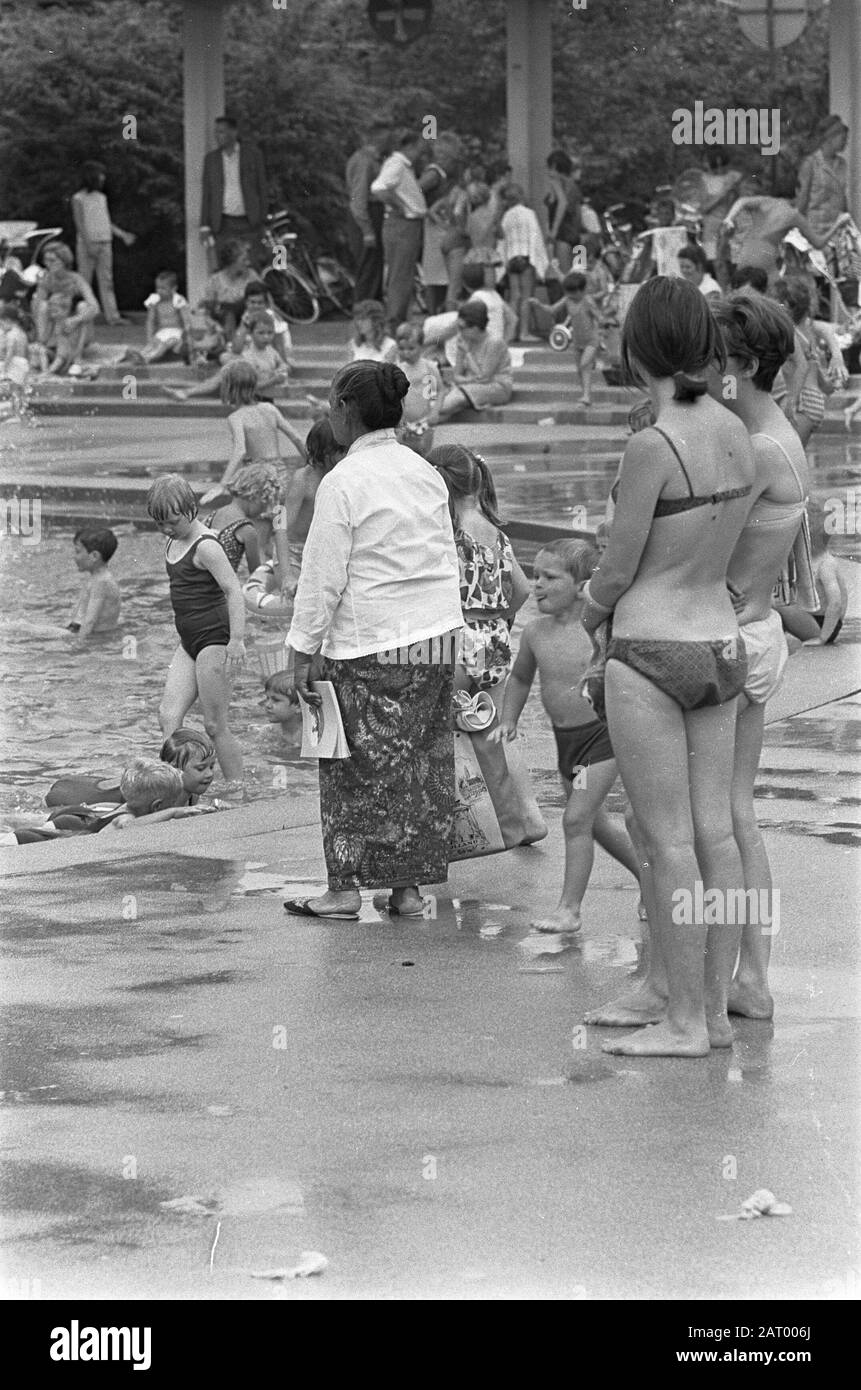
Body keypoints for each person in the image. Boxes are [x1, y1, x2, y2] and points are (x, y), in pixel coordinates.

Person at [581, 276, 755, 1058]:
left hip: (650, 648)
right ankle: (711, 1011)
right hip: (719, 645)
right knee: (716, 836)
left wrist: (582, 613)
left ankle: (683, 1022)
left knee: (668, 841)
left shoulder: (652, 445)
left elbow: (616, 572)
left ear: (638, 346)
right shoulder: (736, 432)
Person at [283, 360, 463, 920]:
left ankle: (343, 891)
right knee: (416, 765)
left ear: (344, 409)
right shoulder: (423, 470)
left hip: (369, 645)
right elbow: (443, 555)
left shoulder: (342, 483)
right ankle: (405, 890)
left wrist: (300, 652)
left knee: (349, 767)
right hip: (432, 639)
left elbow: (321, 577)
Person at [704, 292, 809, 1023]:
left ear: (740, 365)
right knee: (734, 813)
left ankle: (737, 976)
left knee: (720, 817)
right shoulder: (775, 435)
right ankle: (748, 976)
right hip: (759, 629)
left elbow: (701, 545)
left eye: (713, 362)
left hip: (734, 635)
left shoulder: (756, 446)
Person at [492, 539, 641, 932]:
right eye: (535, 575)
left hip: (601, 738)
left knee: (576, 819)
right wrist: (508, 719)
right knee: (595, 825)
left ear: (582, 586)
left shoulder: (601, 630)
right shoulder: (535, 633)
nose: (536, 584)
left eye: (549, 577)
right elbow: (521, 677)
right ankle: (651, 878)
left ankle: (569, 910)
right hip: (567, 742)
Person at [430, 443, 546, 848]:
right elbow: (524, 589)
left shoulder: (447, 532)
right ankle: (516, 824)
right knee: (490, 734)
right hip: (495, 640)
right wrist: (499, 620)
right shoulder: (495, 531)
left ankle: (461, 829)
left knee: (440, 733)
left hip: (459, 640)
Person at [146, 474, 247, 787]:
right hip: (188, 641)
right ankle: (173, 785)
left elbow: (233, 590)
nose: (166, 529)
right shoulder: (174, 540)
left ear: (191, 509)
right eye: (159, 523)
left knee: (215, 725)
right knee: (168, 716)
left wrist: (237, 640)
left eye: (172, 522)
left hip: (215, 639)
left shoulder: (207, 546)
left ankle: (237, 790)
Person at [200, 361, 304, 505]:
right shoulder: (270, 408)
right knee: (278, 514)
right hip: (279, 472)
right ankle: (279, 526)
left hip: (256, 474)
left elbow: (240, 450)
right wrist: (313, 465)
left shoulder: (236, 417)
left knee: (249, 513)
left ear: (228, 389)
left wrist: (221, 485)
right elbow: (297, 438)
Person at [720, 177, 852, 285]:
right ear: (797, 192)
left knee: (741, 290)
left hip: (747, 250)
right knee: (776, 296)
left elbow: (742, 201)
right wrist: (838, 223)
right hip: (765, 254)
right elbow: (818, 243)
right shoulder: (793, 214)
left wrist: (729, 218)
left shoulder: (765, 202)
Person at [370, 131, 427, 331]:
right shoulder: (397, 164)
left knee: (403, 273)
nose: (421, 153)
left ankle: (400, 319)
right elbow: (379, 188)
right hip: (402, 224)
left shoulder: (401, 166)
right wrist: (400, 207)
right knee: (400, 274)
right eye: (419, 148)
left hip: (406, 224)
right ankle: (394, 322)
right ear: (410, 146)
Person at [168, 315, 290, 405]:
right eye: (261, 333)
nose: (266, 337)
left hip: (263, 397)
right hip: (249, 396)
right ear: (251, 334)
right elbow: (252, 387)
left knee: (216, 379)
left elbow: (282, 363)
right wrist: (274, 380)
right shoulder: (249, 357)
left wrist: (281, 368)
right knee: (215, 382)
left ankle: (185, 391)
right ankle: (186, 392)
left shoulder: (271, 351)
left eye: (270, 333)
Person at [70, 161, 135, 325]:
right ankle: (82, 315)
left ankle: (113, 317)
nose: (103, 177)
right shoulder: (78, 198)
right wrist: (88, 244)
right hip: (87, 244)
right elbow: (79, 223)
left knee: (107, 281)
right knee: (84, 281)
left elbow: (106, 221)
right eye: (100, 174)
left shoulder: (101, 197)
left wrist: (122, 234)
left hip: (105, 242)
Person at [775, 500, 847, 647]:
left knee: (777, 604)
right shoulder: (802, 560)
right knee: (776, 596)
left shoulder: (826, 564)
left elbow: (836, 604)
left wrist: (823, 637)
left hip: (822, 625)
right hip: (811, 618)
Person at [200, 115, 268, 267]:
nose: (218, 136)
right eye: (216, 132)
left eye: (222, 132)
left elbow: (262, 188)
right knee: (226, 267)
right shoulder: (211, 159)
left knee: (251, 265)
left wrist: (262, 219)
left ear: (234, 132)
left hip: (249, 222)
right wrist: (204, 225)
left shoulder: (253, 155)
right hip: (223, 223)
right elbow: (207, 194)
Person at [796, 115, 851, 288]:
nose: (845, 143)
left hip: (837, 238)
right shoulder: (811, 164)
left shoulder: (842, 164)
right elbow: (801, 203)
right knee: (818, 287)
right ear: (831, 137)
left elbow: (843, 199)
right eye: (843, 138)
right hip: (815, 235)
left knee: (841, 287)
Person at [435, 299, 513, 421]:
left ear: (475, 328)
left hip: (496, 386)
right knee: (445, 410)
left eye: (462, 328)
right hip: (469, 385)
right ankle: (418, 427)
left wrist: (467, 353)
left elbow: (484, 377)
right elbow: (457, 375)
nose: (459, 332)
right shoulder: (464, 340)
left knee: (446, 403)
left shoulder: (494, 342)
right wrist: (468, 380)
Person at [531, 271, 600, 407]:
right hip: (577, 341)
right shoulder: (567, 300)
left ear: (582, 290)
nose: (571, 296)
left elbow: (599, 317)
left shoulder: (588, 301)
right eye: (569, 293)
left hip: (591, 340)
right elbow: (552, 310)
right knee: (580, 369)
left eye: (573, 293)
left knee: (584, 364)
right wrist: (539, 304)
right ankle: (586, 395)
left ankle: (587, 392)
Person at [202, 462, 282, 575]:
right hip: (220, 590)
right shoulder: (246, 530)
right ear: (256, 496)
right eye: (265, 504)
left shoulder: (212, 515)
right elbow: (256, 573)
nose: (264, 511)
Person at [31, 243, 99, 368]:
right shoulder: (47, 279)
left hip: (74, 328)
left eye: (52, 260)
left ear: (63, 261)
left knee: (83, 307)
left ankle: (77, 355)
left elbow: (95, 307)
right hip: (54, 328)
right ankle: (43, 344)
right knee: (42, 306)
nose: (48, 264)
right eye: (46, 260)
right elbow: (36, 308)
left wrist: (75, 319)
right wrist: (39, 288)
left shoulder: (76, 279)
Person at [345, 122, 390, 302]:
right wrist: (367, 230)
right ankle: (364, 310)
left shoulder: (374, 160)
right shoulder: (363, 161)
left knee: (374, 267)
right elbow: (358, 198)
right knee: (367, 268)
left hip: (375, 213)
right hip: (367, 215)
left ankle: (374, 307)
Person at [499, 185, 549, 341]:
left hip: (512, 258)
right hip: (526, 257)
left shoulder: (506, 216)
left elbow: (503, 241)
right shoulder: (529, 214)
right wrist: (539, 261)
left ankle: (510, 332)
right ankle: (524, 332)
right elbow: (535, 237)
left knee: (514, 296)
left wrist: (503, 262)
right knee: (526, 297)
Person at [118, 271, 190, 365]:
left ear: (174, 289)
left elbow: (186, 320)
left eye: (163, 288)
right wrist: (150, 338)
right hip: (162, 332)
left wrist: (187, 337)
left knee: (166, 344)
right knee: (154, 344)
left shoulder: (178, 300)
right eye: (158, 288)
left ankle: (148, 358)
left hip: (176, 333)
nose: (159, 291)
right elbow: (150, 321)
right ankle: (139, 356)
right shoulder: (155, 300)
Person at [393, 321, 442, 455]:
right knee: (402, 453)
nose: (406, 353)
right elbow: (397, 396)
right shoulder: (399, 369)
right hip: (404, 423)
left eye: (411, 348)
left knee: (424, 453)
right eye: (402, 349)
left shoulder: (428, 367)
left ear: (421, 346)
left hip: (424, 421)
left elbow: (438, 391)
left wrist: (435, 412)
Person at [67, 527, 122, 637]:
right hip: (90, 633)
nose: (74, 557)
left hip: (88, 635)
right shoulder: (100, 578)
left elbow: (90, 621)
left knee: (25, 627)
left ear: (94, 556)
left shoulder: (101, 582)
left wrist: (77, 645)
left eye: (77, 552)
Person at [200, 239, 258, 339]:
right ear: (232, 261)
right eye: (244, 260)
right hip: (223, 325)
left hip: (248, 322)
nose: (248, 263)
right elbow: (208, 314)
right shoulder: (215, 281)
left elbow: (262, 301)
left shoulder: (251, 276)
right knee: (226, 313)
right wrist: (215, 327)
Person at [230, 281, 293, 366]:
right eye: (252, 302)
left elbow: (279, 346)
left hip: (273, 354)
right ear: (246, 302)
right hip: (256, 354)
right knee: (226, 357)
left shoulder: (271, 317)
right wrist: (244, 325)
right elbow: (236, 349)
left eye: (260, 303)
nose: (256, 306)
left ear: (266, 304)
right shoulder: (246, 316)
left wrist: (282, 365)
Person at [544, 149, 582, 275]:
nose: (548, 172)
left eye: (550, 168)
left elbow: (562, 204)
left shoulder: (557, 183)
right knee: (579, 274)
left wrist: (553, 232)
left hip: (563, 235)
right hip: (578, 236)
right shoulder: (573, 185)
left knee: (565, 276)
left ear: (555, 167)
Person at [159, 727, 217, 805]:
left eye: (211, 767)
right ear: (175, 769)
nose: (210, 774)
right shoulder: (161, 800)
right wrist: (173, 813)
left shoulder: (193, 794)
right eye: (200, 768)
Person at [0, 303, 31, 407]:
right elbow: (27, 352)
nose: (2, 327)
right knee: (20, 392)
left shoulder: (11, 334)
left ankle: (14, 412)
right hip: (24, 364)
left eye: (2, 323)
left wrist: (4, 369)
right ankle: (20, 413)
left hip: (15, 364)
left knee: (13, 391)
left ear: (7, 320)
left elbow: (10, 352)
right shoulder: (22, 333)